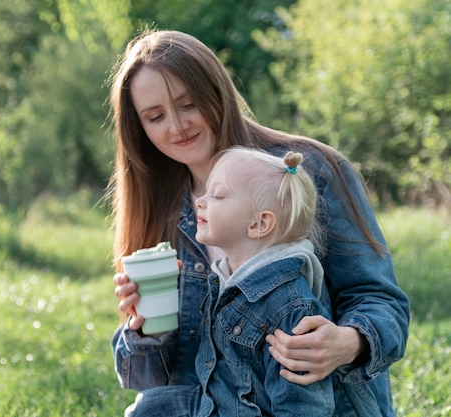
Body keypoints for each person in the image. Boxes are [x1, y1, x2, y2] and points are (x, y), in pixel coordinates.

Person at [107, 29, 410, 416]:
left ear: (216, 93)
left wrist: (347, 342)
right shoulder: (159, 209)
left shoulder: (306, 172)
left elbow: (381, 300)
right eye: (155, 117)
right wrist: (148, 328)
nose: (176, 127)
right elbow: (150, 380)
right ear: (140, 129)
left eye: (188, 104)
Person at [125, 147, 336, 416]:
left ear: (259, 225)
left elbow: (303, 405)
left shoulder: (290, 306)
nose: (201, 201)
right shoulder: (226, 281)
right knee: (148, 407)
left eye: (218, 195)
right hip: (215, 404)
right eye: (206, 192)